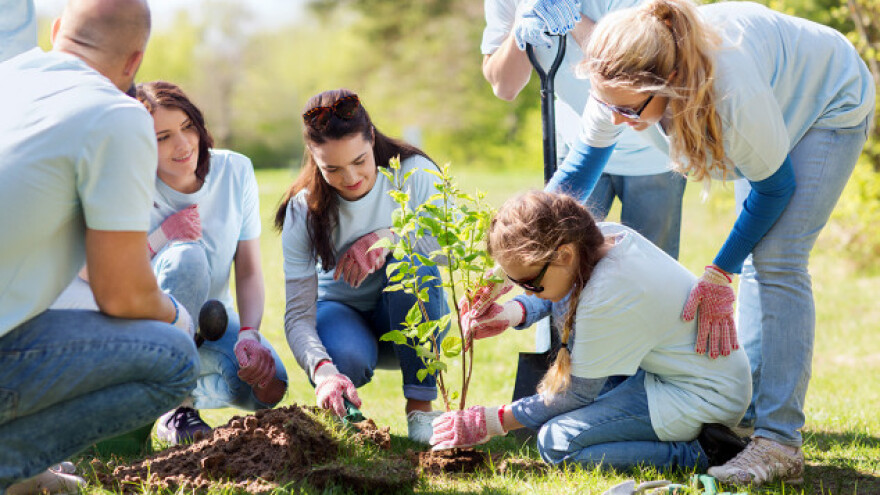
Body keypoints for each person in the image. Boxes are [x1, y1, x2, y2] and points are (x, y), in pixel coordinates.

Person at [539, 0, 874, 485]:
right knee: (760, 254)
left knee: (776, 260)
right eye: (607, 104)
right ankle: (745, 422)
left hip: (826, 100)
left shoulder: (730, 94)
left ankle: (779, 442)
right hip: (768, 101)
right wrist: (521, 246)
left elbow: (774, 188)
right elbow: (579, 172)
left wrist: (719, 272)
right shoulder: (616, 80)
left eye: (629, 109)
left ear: (669, 82)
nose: (616, 118)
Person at [0, 1, 200, 493]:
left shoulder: (8, 80)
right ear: (134, 61)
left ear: (56, 30)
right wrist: (178, 316)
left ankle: (25, 474)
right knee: (175, 357)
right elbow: (121, 293)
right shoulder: (116, 115)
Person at [431, 191, 752, 473]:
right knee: (564, 421)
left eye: (529, 283)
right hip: (685, 377)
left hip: (702, 397)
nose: (526, 291)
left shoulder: (607, 293)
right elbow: (561, 288)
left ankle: (702, 451)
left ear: (564, 255)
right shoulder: (601, 239)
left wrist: (490, 421)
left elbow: (575, 395)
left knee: (556, 441)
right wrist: (509, 312)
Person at [52, 81, 290, 445]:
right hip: (145, 330)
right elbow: (87, 270)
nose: (183, 144)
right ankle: (176, 406)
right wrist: (163, 236)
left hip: (209, 327)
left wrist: (249, 335)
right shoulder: (127, 184)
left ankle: (167, 400)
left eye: (187, 127)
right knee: (187, 257)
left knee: (270, 386)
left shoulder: (235, 170)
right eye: (162, 137)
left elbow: (249, 270)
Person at [277, 89, 450, 443]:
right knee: (345, 357)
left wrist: (390, 237)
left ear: (371, 136)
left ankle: (420, 410)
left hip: (411, 317)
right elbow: (298, 316)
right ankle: (346, 412)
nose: (351, 178)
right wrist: (323, 371)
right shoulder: (303, 208)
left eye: (359, 161)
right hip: (343, 317)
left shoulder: (413, 173)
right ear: (313, 156)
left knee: (413, 266)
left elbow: (453, 248)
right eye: (332, 169)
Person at [481, 0, 686, 259]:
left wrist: (573, 18)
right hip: (580, 141)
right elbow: (505, 87)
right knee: (566, 259)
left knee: (651, 264)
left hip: (651, 150)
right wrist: (522, 23)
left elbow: (632, 64)